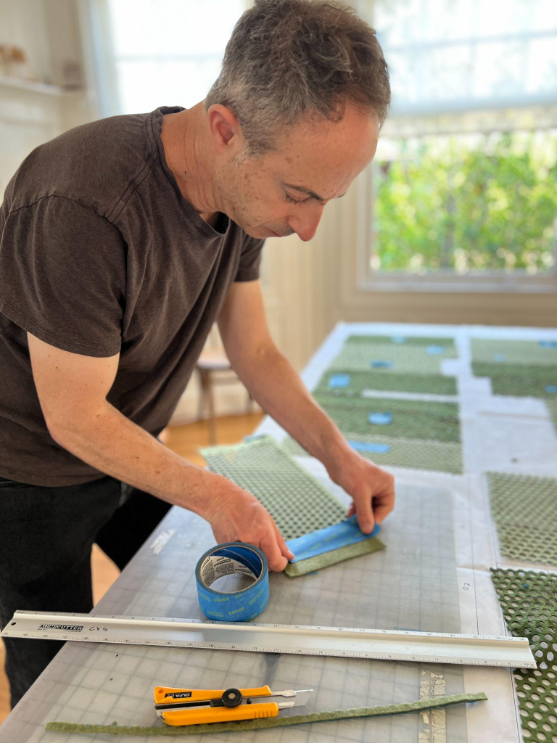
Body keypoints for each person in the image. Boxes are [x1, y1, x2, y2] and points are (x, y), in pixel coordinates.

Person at [0, 0, 395, 707]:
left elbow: (257, 349)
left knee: (183, 597)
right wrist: (215, 492)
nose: (307, 227)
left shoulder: (241, 196)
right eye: (299, 195)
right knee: (53, 685)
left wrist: (340, 455)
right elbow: (74, 417)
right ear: (224, 129)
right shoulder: (81, 204)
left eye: (328, 200)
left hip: (129, 443)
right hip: (25, 472)